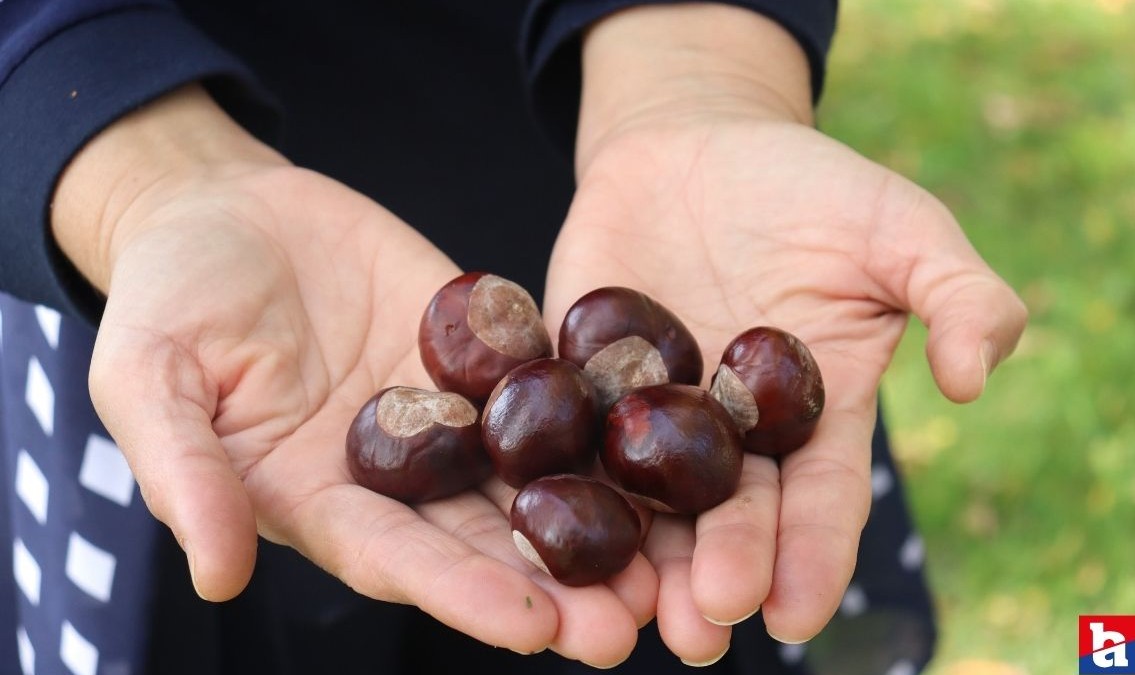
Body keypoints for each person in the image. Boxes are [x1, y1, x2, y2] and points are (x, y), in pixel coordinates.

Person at [0, 1, 1027, 673]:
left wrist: (700, 70)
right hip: (233, 315)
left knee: (713, 616)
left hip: (641, 198)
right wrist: (128, 165)